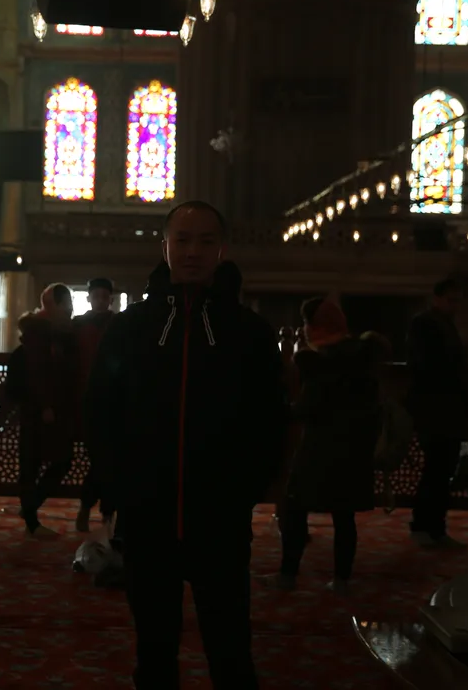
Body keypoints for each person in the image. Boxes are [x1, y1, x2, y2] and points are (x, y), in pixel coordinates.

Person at [87, 201, 287, 688]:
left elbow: (271, 418)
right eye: (182, 240)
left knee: (229, 645)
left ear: (221, 249)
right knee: (154, 647)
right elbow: (101, 411)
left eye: (204, 241)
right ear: (165, 247)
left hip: (221, 518)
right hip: (147, 517)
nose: (192, 251)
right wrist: (118, 486)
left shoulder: (248, 333)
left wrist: (247, 488)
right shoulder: (131, 329)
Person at [262, 297, 381, 596]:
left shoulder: (320, 362)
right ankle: (342, 579)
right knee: (344, 516)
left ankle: (287, 575)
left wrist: (280, 410)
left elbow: (308, 408)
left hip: (320, 449)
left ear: (316, 326)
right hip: (354, 449)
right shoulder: (363, 358)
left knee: (295, 509)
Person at [406, 277, 468, 548]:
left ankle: (435, 528)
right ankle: (423, 525)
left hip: (448, 411)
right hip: (434, 410)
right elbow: (431, 366)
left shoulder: (444, 324)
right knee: (435, 471)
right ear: (437, 298)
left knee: (442, 472)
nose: (455, 306)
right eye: (451, 300)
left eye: (458, 301)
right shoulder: (424, 324)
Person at [17, 283, 78, 539]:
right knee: (32, 465)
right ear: (56, 304)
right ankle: (31, 520)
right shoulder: (39, 332)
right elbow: (36, 372)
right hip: (38, 410)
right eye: (67, 304)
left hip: (53, 409)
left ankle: (29, 510)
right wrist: (45, 405)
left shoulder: (56, 331)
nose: (70, 309)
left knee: (61, 460)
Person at [74, 277, 115, 533]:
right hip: (88, 401)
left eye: (104, 297)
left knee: (109, 460)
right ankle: (100, 510)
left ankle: (98, 509)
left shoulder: (118, 325)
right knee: (101, 460)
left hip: (113, 401)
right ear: (89, 298)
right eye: (96, 296)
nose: (100, 301)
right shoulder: (79, 326)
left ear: (110, 299)